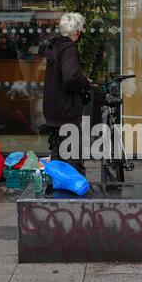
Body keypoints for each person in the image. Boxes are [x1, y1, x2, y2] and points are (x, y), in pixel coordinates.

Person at [43, 13, 91, 176]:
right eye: (81, 28)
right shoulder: (69, 48)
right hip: (66, 111)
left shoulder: (54, 46)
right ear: (77, 31)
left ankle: (58, 191)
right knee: (71, 158)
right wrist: (85, 82)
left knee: (57, 156)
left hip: (53, 109)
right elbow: (70, 78)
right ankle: (73, 196)